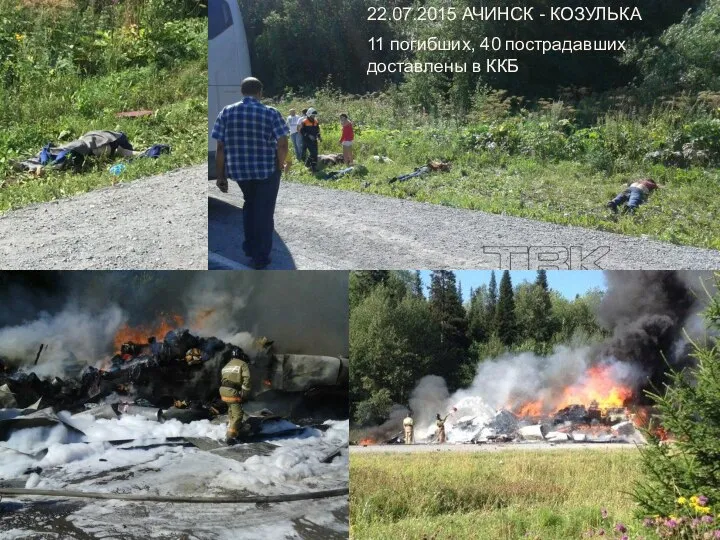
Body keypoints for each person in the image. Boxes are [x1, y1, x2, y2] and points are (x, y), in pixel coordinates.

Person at [211, 77, 289, 269]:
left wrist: (220, 175)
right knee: (264, 212)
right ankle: (260, 256)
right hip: (267, 171)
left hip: (241, 172)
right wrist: (280, 164)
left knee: (250, 206)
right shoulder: (270, 113)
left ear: (242, 91)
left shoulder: (227, 112)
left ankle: (250, 248)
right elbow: (283, 144)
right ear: (260, 92)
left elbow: (220, 147)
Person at [219, 346, 252, 445]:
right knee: (238, 414)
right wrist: (245, 393)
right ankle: (230, 437)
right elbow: (247, 379)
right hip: (232, 391)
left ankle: (234, 427)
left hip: (223, 391)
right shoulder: (243, 364)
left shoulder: (226, 366)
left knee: (231, 411)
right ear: (240, 355)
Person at [300, 108, 321, 172]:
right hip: (307, 140)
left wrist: (319, 136)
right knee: (313, 153)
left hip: (314, 139)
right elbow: (301, 131)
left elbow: (317, 130)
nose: (314, 116)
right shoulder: (304, 122)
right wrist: (309, 135)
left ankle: (313, 167)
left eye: (314, 115)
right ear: (309, 114)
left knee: (315, 153)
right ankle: (308, 164)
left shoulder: (316, 121)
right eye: (313, 115)